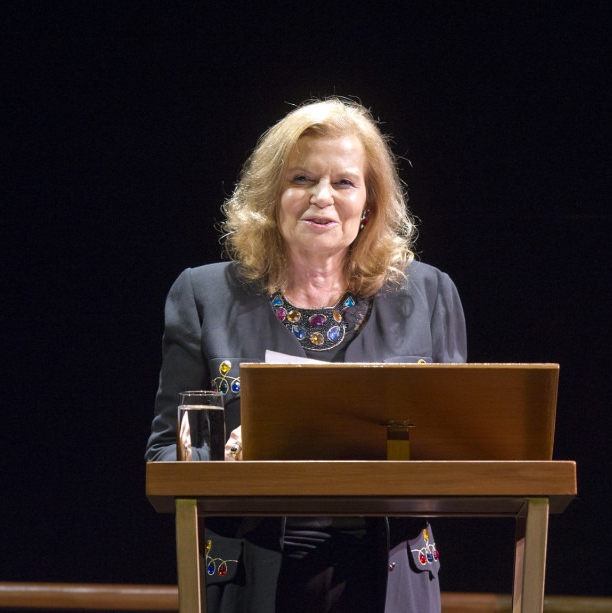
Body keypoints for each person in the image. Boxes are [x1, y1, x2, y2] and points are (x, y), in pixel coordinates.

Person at [145, 98, 466, 612]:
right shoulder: (203, 295)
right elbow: (166, 456)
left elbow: (460, 455)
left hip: (388, 573)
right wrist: (228, 465)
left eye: (344, 182)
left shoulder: (428, 294)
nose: (322, 197)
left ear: (370, 204)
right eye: (301, 178)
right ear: (272, 196)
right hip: (251, 574)